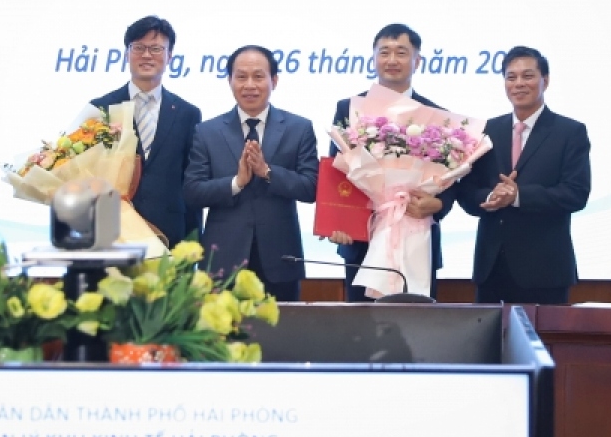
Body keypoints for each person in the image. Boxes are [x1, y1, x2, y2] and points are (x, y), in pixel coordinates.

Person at [327, 24, 454, 301]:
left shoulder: (438, 116)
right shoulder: (348, 108)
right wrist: (339, 221)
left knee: (416, 322)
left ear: (417, 61)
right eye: (384, 52)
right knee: (361, 325)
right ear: (373, 58)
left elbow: (452, 178)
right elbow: (338, 171)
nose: (392, 60)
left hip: (418, 239)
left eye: (401, 52)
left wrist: (440, 204)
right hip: (361, 240)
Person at [184, 45, 319, 301]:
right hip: (223, 260)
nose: (249, 85)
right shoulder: (207, 131)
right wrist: (236, 183)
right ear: (230, 81)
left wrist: (267, 172)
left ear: (274, 81)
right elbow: (193, 192)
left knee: (282, 327)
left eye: (258, 76)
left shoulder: (299, 128)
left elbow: (310, 187)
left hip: (280, 258)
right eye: (241, 76)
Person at [457, 46, 591, 304]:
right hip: (491, 269)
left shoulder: (569, 132)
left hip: (545, 270)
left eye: (528, 76)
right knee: (490, 333)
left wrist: (518, 196)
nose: (518, 83)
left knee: (540, 333)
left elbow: (576, 194)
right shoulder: (487, 130)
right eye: (511, 77)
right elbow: (466, 192)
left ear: (545, 81)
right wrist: (491, 197)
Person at [91, 15, 202, 247]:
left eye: (156, 48)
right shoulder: (101, 108)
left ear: (170, 56)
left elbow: (191, 182)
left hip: (169, 233)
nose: (147, 55)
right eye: (139, 47)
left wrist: (194, 243)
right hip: (114, 233)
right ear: (126, 53)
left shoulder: (188, 113)